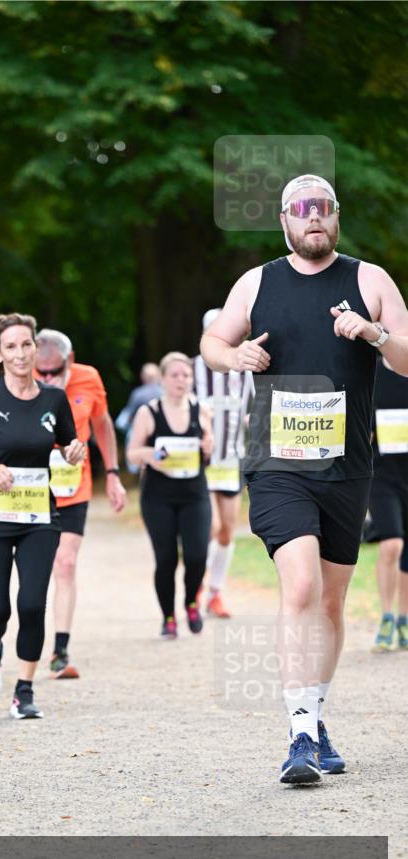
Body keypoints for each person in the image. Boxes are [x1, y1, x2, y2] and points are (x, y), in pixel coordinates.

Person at [201, 173, 408, 785]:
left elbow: (406, 356)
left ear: (336, 216)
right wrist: (233, 356)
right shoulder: (256, 282)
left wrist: (373, 333)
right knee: (300, 585)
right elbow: (212, 341)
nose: (313, 216)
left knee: (332, 601)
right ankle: (298, 735)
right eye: (301, 208)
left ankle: (315, 718)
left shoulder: (370, 281)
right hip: (277, 464)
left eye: (323, 207)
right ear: (285, 220)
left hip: (347, 465)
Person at [0, 313, 85, 720]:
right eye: (11, 346)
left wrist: (72, 452)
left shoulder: (53, 399)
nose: (21, 353)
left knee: (31, 603)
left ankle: (24, 690)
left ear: (35, 348)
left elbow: (67, 443)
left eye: (27, 344)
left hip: (39, 516)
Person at [34, 329, 127, 678]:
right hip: (30, 488)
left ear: (69, 360)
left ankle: (60, 651)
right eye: (40, 372)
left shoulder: (88, 378)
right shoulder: (20, 378)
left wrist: (113, 473)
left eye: (53, 371)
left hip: (74, 486)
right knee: (33, 569)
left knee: (65, 563)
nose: (45, 378)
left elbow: (102, 424)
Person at [127, 352, 213, 638]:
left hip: (194, 494)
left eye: (186, 375)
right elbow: (132, 453)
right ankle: (168, 617)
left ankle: (191, 602)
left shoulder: (202, 410)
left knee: (197, 556)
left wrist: (208, 447)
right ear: (162, 379)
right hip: (158, 497)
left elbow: (209, 448)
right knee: (166, 560)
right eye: (175, 375)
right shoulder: (148, 413)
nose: (181, 380)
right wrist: (151, 455)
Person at [194, 309, 255, 618]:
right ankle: (197, 584)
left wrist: (254, 421)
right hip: (201, 459)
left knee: (227, 531)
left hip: (231, 457)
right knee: (211, 526)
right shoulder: (192, 368)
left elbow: (254, 407)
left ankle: (215, 592)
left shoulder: (245, 370)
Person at [369, 355, 408, 652]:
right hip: (381, 476)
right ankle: (386, 615)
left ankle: (403, 619)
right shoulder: (372, 374)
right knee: (392, 543)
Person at [115, 363, 162, 474]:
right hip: (163, 435)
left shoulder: (138, 394)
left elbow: (125, 419)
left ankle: (136, 471)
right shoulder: (165, 392)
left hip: (142, 435)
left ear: (143, 377)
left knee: (141, 463)